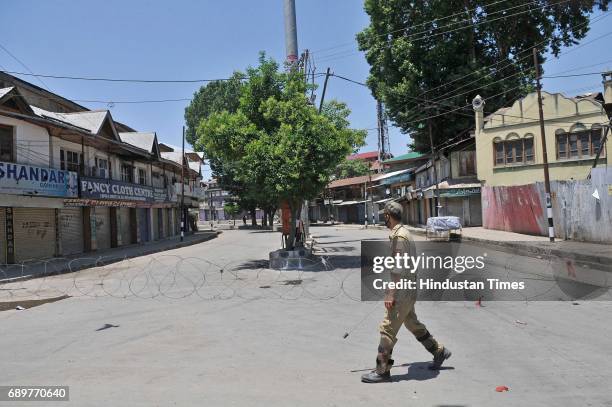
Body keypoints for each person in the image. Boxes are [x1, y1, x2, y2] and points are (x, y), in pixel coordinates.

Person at [361, 201, 451, 383]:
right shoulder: (404, 233)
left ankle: (382, 370)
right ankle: (438, 351)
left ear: (388, 216)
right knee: (411, 323)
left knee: (387, 328)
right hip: (409, 287)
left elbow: (398, 267)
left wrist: (391, 293)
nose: (383, 219)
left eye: (384, 216)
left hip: (402, 289)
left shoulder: (400, 237)